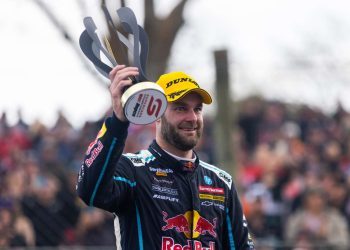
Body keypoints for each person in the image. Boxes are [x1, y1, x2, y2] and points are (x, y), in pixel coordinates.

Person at [76, 65, 255, 249]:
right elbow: (89, 190)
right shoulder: (133, 169)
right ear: (156, 113)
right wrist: (118, 123)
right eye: (180, 108)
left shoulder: (221, 182)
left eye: (198, 109)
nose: (192, 117)